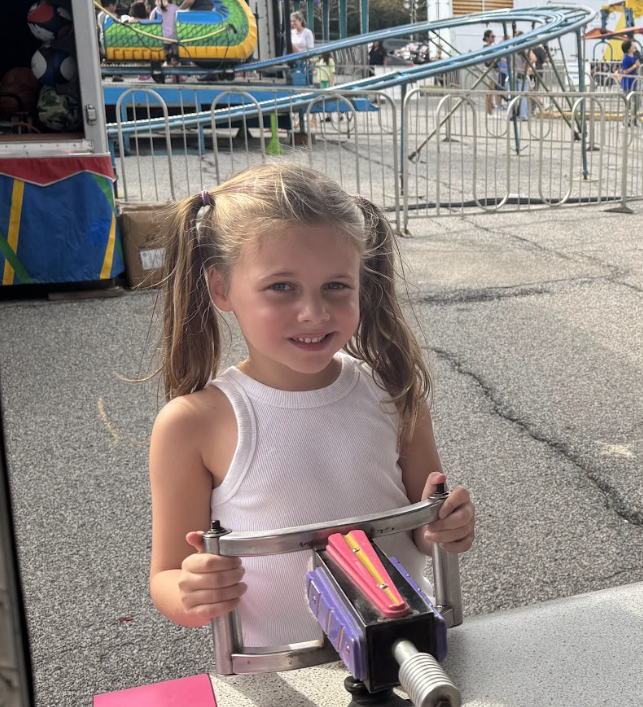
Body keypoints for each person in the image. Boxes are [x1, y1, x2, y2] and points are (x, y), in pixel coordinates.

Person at [147, 164, 476, 649]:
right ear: (221, 288)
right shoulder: (194, 423)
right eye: (281, 286)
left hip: (408, 656)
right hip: (278, 672)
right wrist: (192, 589)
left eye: (336, 286)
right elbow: (167, 576)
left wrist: (449, 527)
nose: (315, 312)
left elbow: (424, 527)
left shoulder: (392, 390)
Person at [148, 0, 179, 64]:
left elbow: (151, 22)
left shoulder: (155, 10)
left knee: (163, 51)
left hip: (159, 37)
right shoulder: (174, 8)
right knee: (174, 52)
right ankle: (175, 72)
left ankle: (164, 65)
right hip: (173, 38)